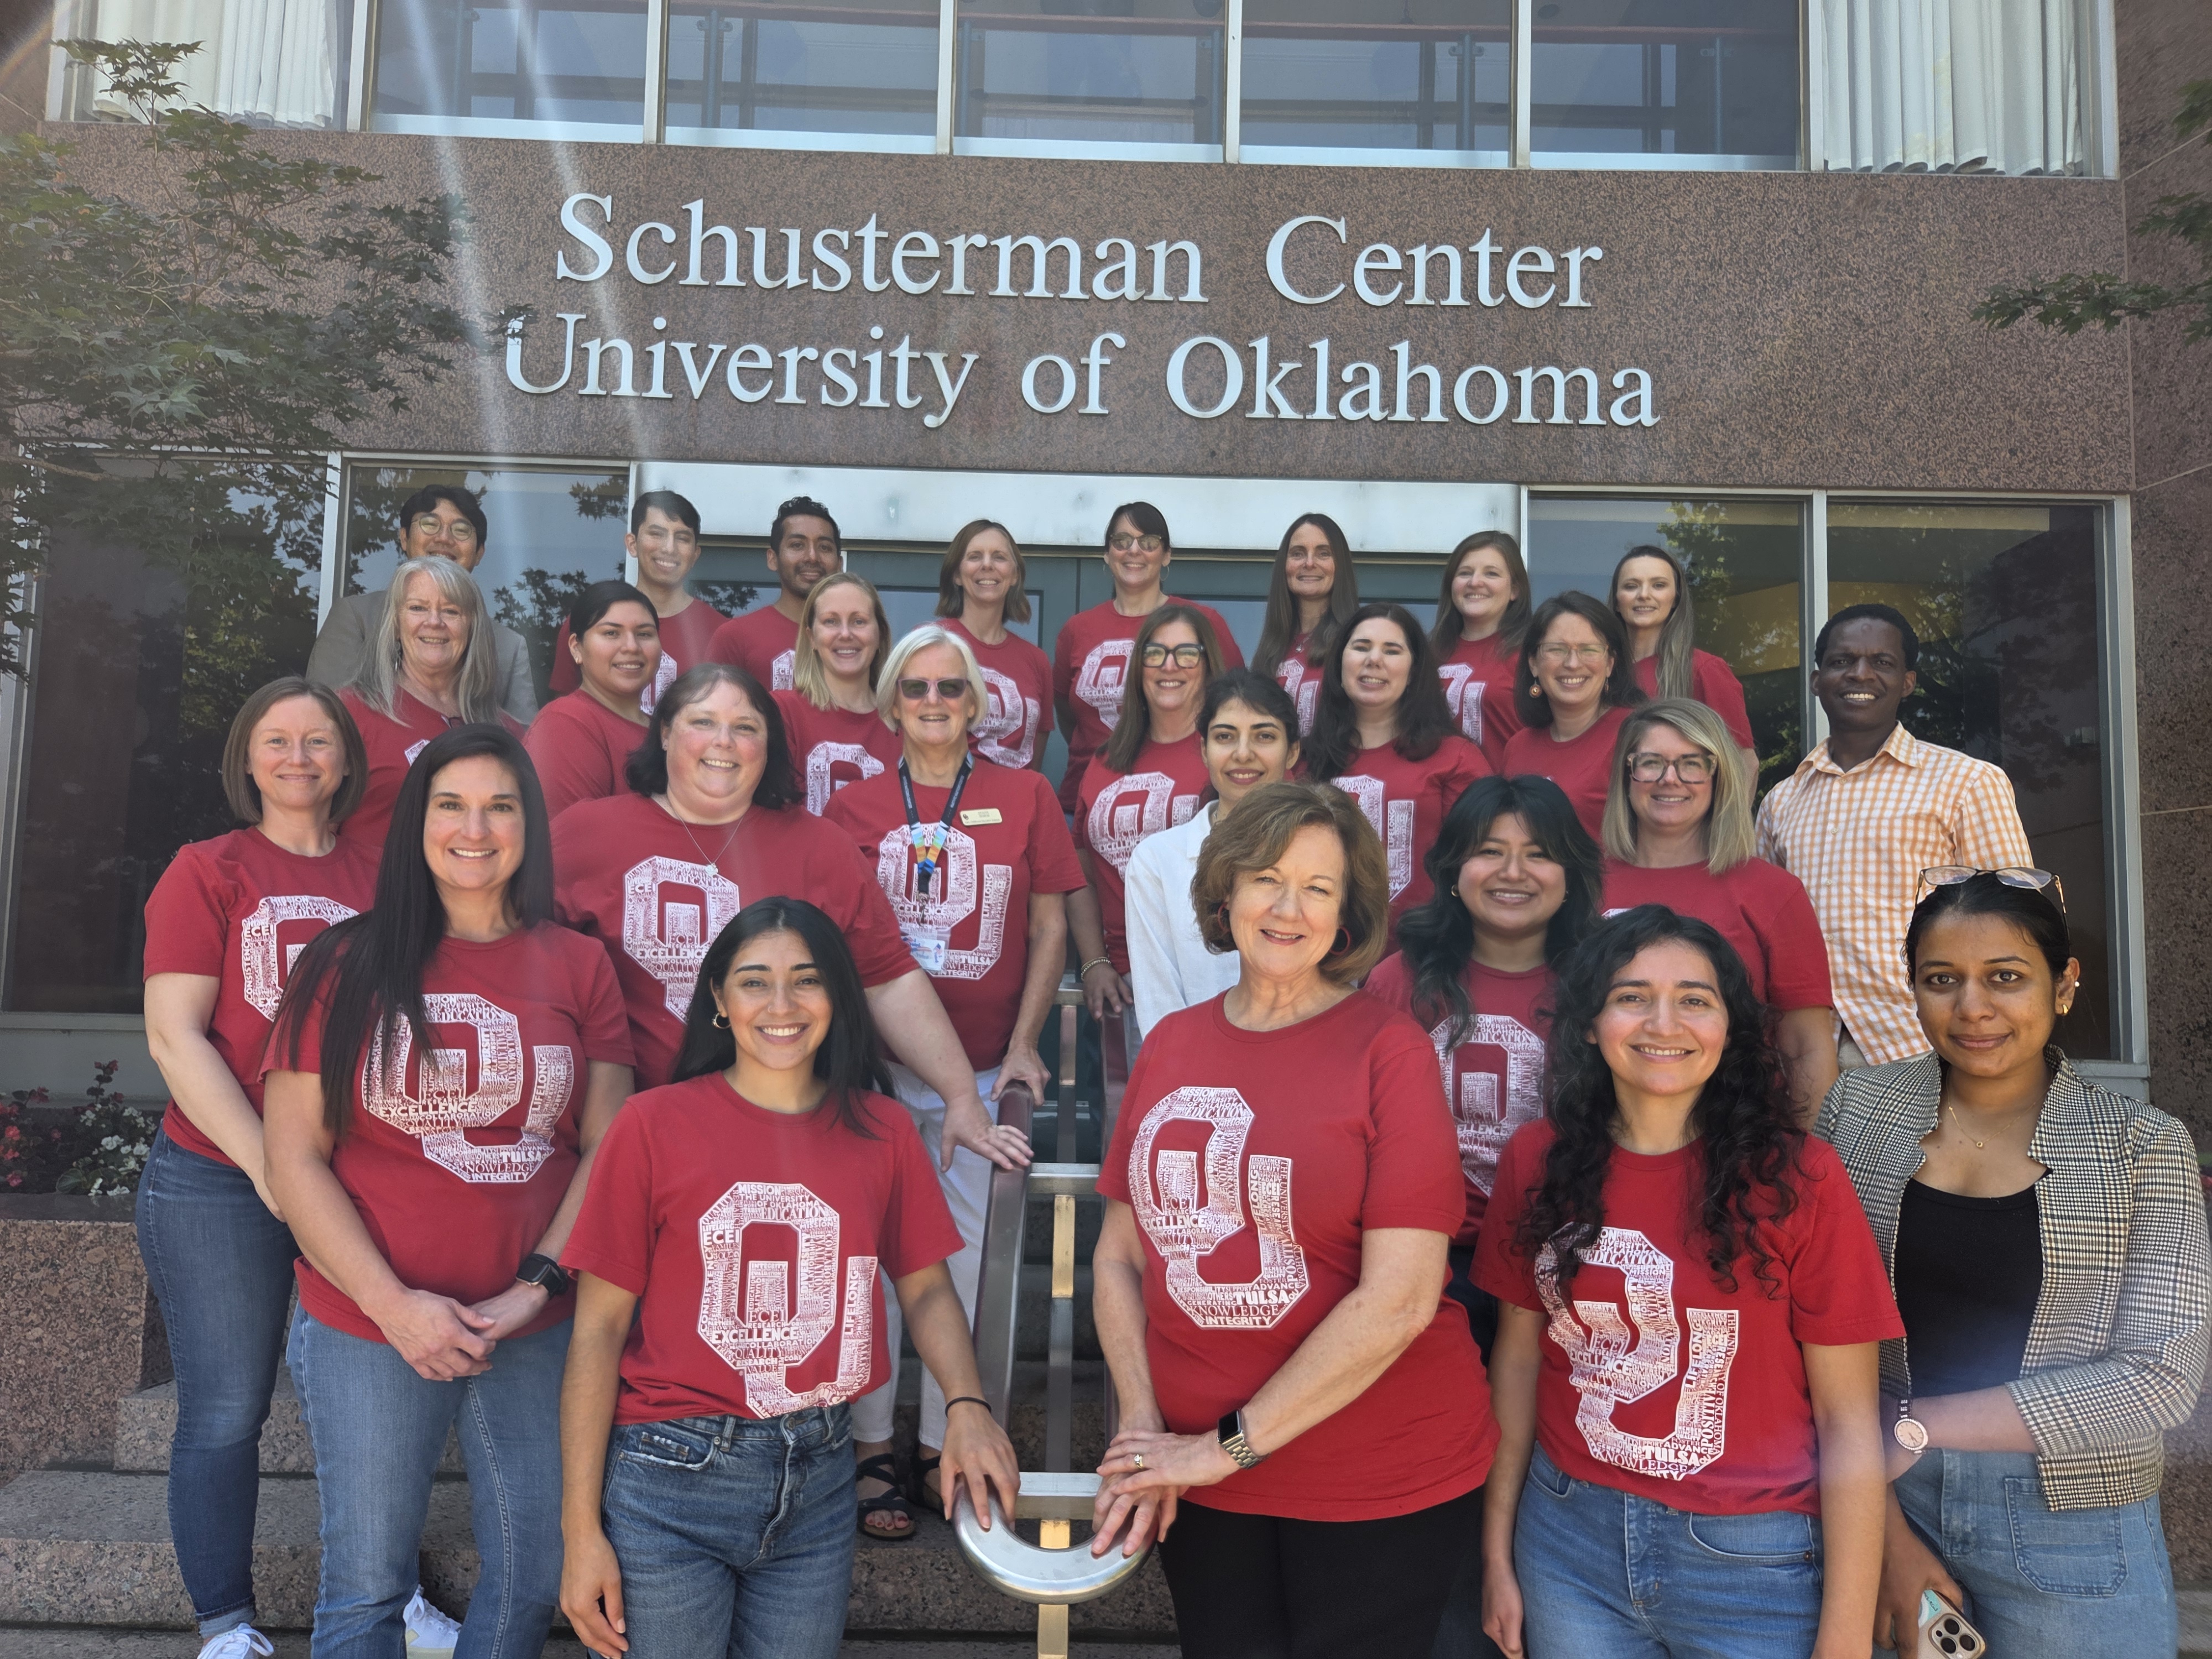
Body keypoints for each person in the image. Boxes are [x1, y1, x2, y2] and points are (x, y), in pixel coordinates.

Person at [1086, 781, 1498, 1659]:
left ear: (1346, 915)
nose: (1288, 907)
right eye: (1268, 877)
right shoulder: (1172, 1045)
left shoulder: (1390, 1052)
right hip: (1201, 1478)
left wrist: (1217, 1451)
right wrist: (1141, 1426)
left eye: (1319, 888)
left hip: (1374, 1478)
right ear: (1224, 890)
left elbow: (1402, 1298)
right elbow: (1121, 1256)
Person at [556, 897, 1021, 1659]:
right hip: (672, 1476)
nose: (781, 1005)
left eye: (805, 980)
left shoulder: (884, 1129)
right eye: (753, 982)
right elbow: (599, 1330)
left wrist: (967, 1405)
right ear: (717, 999)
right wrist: (580, 1531)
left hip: (821, 1475)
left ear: (838, 996)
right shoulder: (650, 1125)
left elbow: (928, 1288)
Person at [262, 725, 636, 1659]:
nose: (477, 829)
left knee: (531, 1571)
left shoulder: (581, 965)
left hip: (536, 1326)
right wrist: (394, 1308)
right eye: (452, 805)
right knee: (366, 1587)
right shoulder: (342, 965)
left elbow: (606, 1151)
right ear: (417, 825)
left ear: (529, 827)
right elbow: (294, 1159)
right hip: (369, 1325)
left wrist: (534, 1289)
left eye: (501, 806)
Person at [1475, 906, 1900, 1659]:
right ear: (1588, 1022)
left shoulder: (1801, 1180)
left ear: (1731, 1027)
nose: (1662, 1022)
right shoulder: (1536, 1160)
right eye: (1632, 995)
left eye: (1695, 999)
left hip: (1754, 1562)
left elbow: (1847, 1422)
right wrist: (1497, 1552)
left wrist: (1845, 1635)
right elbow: (1515, 1361)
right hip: (1567, 1541)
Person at [1819, 871, 2209, 1659]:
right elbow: (1819, 1340)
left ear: (2065, 985)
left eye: (2006, 978)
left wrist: (1919, 1427)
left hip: (2077, 1525)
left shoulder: (2144, 1146)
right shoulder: (1855, 1114)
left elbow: (2163, 1378)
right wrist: (1885, 1534)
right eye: (1942, 981)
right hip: (1884, 1500)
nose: (1973, 1009)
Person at [548, 665, 1034, 1192]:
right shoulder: (582, 836)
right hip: (633, 1140)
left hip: (786, 1141)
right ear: (664, 732)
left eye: (747, 727)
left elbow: (888, 978)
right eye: (703, 722)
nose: (724, 742)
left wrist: (961, 1097)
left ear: (770, 744)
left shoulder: (819, 846)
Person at [135, 680, 392, 1659]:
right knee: (227, 1406)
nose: (297, 757)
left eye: (317, 740)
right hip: (216, 1172)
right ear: (247, 759)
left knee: (379, 1397)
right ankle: (229, 1627)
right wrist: (270, 1168)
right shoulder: (208, 869)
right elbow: (175, 1037)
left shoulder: (386, 872)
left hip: (358, 1170)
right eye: (277, 741)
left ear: (344, 761)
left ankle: (382, 1593)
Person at [826, 625, 1085, 1538]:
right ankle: (867, 1447)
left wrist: (1022, 1045)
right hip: (874, 1078)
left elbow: (1051, 931)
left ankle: (945, 1437)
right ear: (893, 705)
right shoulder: (851, 807)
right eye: (917, 690)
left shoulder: (1026, 794)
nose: (934, 703)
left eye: (951, 689)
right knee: (869, 1265)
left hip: (981, 1070)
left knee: (967, 1262)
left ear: (977, 704)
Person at [1363, 773, 1602, 1659]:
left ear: (1573, 871)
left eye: (1539, 852)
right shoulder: (1400, 981)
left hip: (1566, 1272)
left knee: (1540, 1476)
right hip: (1432, 1274)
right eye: (1489, 850)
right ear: (1451, 867)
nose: (1514, 871)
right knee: (1440, 1487)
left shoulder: (1602, 980)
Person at [1756, 603, 2033, 1070]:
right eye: (1843, 662)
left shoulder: (1967, 782)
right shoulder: (1781, 801)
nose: (1860, 675)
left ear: (1908, 682)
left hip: (1917, 1041)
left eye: (1881, 662)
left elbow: (2017, 921)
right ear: (1817, 679)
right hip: (1802, 1049)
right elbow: (1765, 930)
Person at [1600, 697, 1839, 1120]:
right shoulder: (1584, 886)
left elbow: (1806, 1046)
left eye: (1692, 763)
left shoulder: (1772, 891)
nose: (1669, 780)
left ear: (1718, 775)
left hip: (1741, 1131)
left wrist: (1801, 1159)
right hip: (1604, 1124)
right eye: (1651, 762)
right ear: (1627, 774)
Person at [1071, 604, 1225, 1031]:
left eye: (1186, 654)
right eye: (1155, 654)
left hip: (1214, 979)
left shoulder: (1231, 754)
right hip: (1124, 986)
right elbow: (1081, 873)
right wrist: (1093, 962)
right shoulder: (1104, 762)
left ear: (1208, 663)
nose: (1169, 666)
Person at [1125, 670, 1301, 1040]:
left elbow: (1339, 980)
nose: (1243, 754)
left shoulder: (1325, 856)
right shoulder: (1157, 861)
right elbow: (1160, 1007)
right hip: (1193, 1078)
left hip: (1305, 1066)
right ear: (1204, 749)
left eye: (1264, 736)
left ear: (1294, 752)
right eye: (1225, 737)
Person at [1302, 602, 1490, 933]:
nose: (1374, 660)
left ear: (1415, 671)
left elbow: (1483, 866)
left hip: (1423, 959)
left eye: (1392, 651)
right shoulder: (1304, 762)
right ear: (1339, 665)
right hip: (1316, 956)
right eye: (1361, 647)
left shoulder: (1456, 758)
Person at [1051, 502, 1244, 813]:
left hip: (1184, 798)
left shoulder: (1202, 622)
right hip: (1084, 799)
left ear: (1166, 555)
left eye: (1149, 542)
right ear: (1107, 553)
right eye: (1122, 541)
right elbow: (1068, 715)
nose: (1134, 551)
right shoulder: (1077, 630)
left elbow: (1237, 703)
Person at [337, 555, 524, 853]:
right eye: (417, 608)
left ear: (472, 627)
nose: (434, 622)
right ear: (396, 624)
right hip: (374, 897)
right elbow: (312, 837)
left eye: (451, 611)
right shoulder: (347, 714)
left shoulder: (509, 733)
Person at [308, 484, 538, 723]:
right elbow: (321, 720)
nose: (444, 538)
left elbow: (524, 744)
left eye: (461, 530)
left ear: (479, 553)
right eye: (430, 524)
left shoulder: (509, 646)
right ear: (405, 537)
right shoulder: (356, 616)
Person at [549, 491, 722, 706]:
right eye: (656, 534)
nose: (669, 548)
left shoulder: (722, 632)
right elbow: (564, 712)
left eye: (682, 538)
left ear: (695, 554)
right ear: (632, 544)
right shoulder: (589, 622)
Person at [1499, 592, 1645, 842]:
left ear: (1610, 664)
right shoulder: (1518, 747)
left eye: (1589, 649)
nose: (1573, 663)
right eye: (1557, 649)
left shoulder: (1637, 736)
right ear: (1533, 663)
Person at [1609, 545, 1757, 777]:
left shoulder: (1704, 669)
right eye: (1631, 586)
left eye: (1659, 585)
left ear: (1676, 598)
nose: (1644, 595)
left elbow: (1744, 764)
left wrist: (1723, 815)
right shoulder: (1601, 671)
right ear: (1617, 601)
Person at [524, 581, 661, 820]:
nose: (632, 647)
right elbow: (567, 840)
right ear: (577, 648)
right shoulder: (565, 723)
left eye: (644, 634)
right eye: (611, 633)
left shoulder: (666, 730)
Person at [770, 570, 901, 816]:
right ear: (811, 637)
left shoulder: (904, 720)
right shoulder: (782, 712)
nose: (845, 634)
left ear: (880, 633)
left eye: (859, 621)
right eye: (831, 621)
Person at [937, 518, 1055, 773]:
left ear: (1014, 575)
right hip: (948, 803)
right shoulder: (933, 644)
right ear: (957, 574)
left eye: (999, 557)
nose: (987, 565)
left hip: (1014, 805)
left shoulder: (1036, 661)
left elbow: (1034, 756)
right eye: (975, 556)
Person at [707, 495, 842, 691]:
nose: (812, 557)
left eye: (824, 547)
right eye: (797, 545)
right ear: (773, 559)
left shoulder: (853, 639)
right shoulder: (736, 636)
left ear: (839, 565)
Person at [1428, 531, 1533, 769]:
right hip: (1440, 798)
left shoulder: (1532, 656)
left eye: (1491, 573)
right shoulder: (1426, 655)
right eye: (1465, 573)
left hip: (1508, 798)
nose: (1475, 582)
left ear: (1515, 589)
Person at [1253, 513, 1359, 732]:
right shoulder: (1271, 648)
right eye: (1298, 554)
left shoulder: (1356, 643)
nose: (1309, 563)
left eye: (1323, 553)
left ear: (1340, 565)